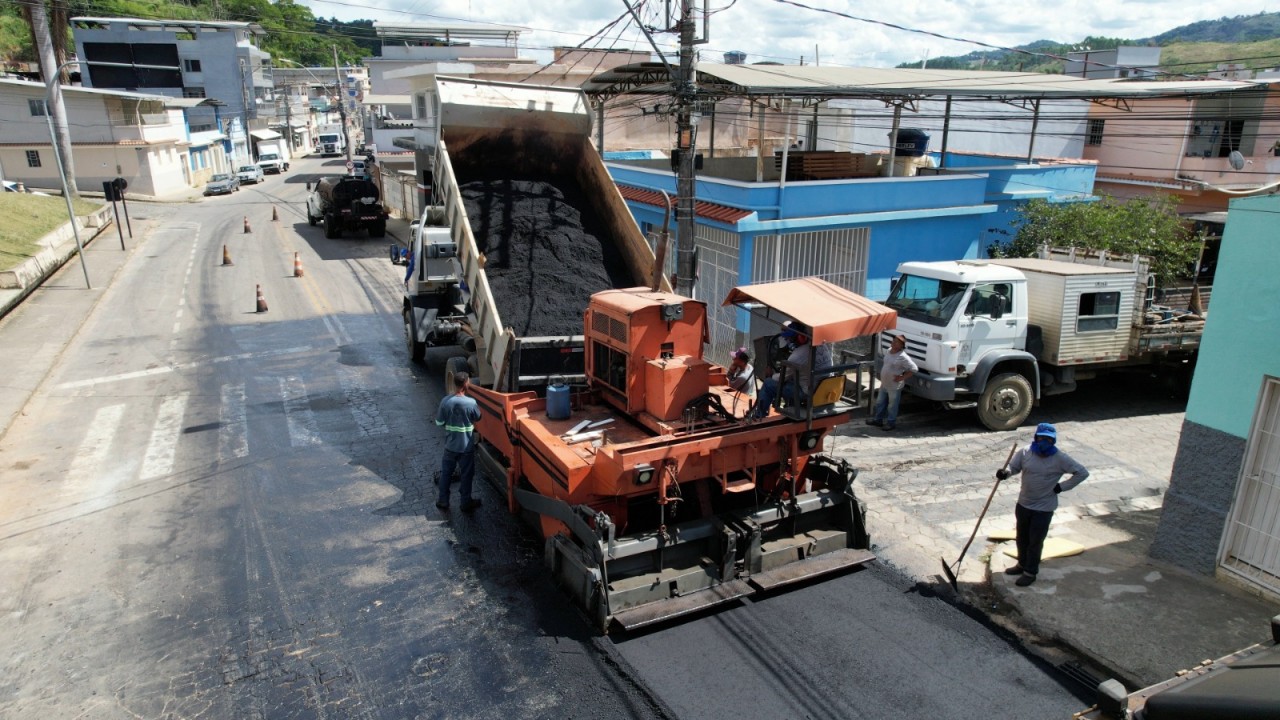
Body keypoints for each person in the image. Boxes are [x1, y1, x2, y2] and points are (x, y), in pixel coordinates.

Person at [996, 422, 1089, 586]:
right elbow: (1014, 467)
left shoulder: (1060, 458)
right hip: (1024, 504)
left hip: (1044, 509)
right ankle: (1021, 564)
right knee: (1021, 538)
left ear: (1053, 441)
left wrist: (1062, 487)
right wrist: (1006, 473)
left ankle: (1030, 572)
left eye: (1049, 439)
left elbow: (1082, 473)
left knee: (1035, 541)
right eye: (1042, 438)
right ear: (1036, 438)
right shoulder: (1025, 452)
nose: (1045, 442)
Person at [754, 330, 832, 416]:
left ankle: (759, 415)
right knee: (793, 379)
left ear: (801, 338)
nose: (789, 342)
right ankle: (790, 405)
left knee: (768, 384)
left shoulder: (797, 355)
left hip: (807, 392)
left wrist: (771, 375)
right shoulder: (822, 345)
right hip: (823, 388)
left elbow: (781, 378)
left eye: (790, 339)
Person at [435, 371, 482, 512]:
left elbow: (439, 422)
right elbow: (478, 417)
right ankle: (465, 502)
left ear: (455, 384)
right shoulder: (471, 403)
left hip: (450, 446)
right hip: (466, 447)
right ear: (466, 383)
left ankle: (443, 501)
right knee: (467, 475)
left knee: (446, 474)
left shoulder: (445, 402)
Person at [869, 333, 917, 431]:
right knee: (879, 402)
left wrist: (902, 377)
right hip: (884, 383)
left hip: (894, 386)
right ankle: (878, 420)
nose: (893, 343)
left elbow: (914, 369)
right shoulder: (888, 351)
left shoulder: (903, 357)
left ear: (901, 346)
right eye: (893, 341)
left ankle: (891, 423)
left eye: (896, 342)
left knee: (892, 405)